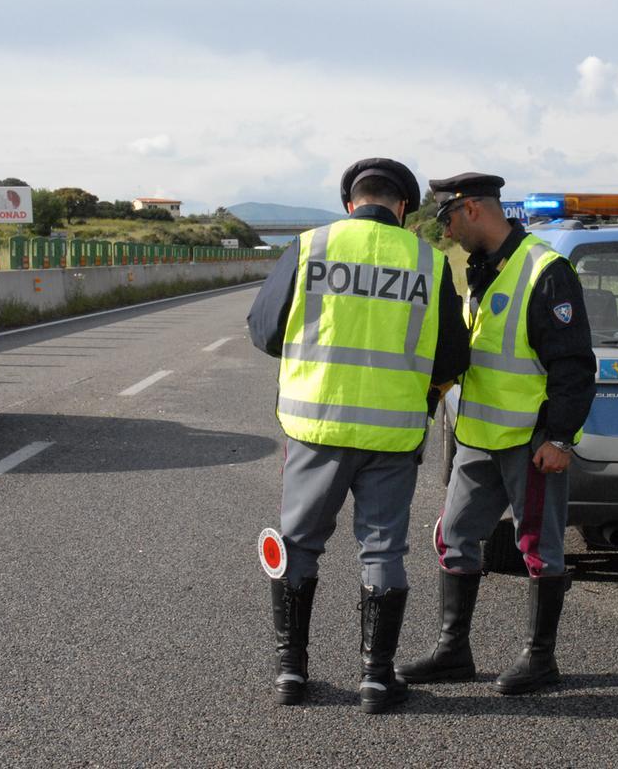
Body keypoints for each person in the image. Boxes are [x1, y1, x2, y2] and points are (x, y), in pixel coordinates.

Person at [247, 157, 468, 714]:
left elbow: (264, 330)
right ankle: (375, 678)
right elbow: (452, 356)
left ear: (351, 203)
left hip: (315, 427)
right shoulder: (428, 261)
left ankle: (291, 674)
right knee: (383, 550)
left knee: (298, 545)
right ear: (401, 207)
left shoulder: (310, 246)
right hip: (392, 434)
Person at [397, 172, 596, 695]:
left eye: (447, 219)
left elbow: (573, 364)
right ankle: (453, 652)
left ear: (472, 210)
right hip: (479, 436)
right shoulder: (483, 268)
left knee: (539, 547)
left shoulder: (544, 270)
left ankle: (539, 660)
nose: (447, 231)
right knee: (454, 535)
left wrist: (561, 438)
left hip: (530, 441)